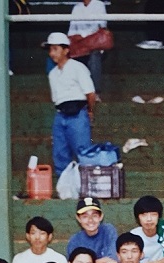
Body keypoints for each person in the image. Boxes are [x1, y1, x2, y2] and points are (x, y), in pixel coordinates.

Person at [46, 32, 96, 176]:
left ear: (66, 50)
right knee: (60, 152)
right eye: (50, 49)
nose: (52, 53)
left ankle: (86, 188)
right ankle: (64, 188)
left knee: (83, 152)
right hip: (61, 114)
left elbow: (90, 93)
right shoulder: (53, 74)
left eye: (55, 49)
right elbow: (56, 98)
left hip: (78, 113)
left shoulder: (77, 67)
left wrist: (90, 111)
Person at [65, 197, 119, 263]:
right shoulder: (75, 240)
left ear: (101, 216)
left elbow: (112, 258)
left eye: (94, 216)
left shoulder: (108, 230)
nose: (90, 220)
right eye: (85, 217)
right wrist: (100, 262)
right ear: (78, 218)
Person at [67, 0, 108, 97]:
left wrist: (83, 36)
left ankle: (95, 93)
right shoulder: (77, 7)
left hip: (94, 43)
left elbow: (101, 25)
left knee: (94, 57)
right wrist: (75, 37)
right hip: (79, 44)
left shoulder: (99, 5)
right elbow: (71, 30)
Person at [131, 195, 164, 263]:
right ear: (138, 218)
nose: (149, 219)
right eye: (144, 215)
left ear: (159, 216)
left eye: (153, 214)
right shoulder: (133, 235)